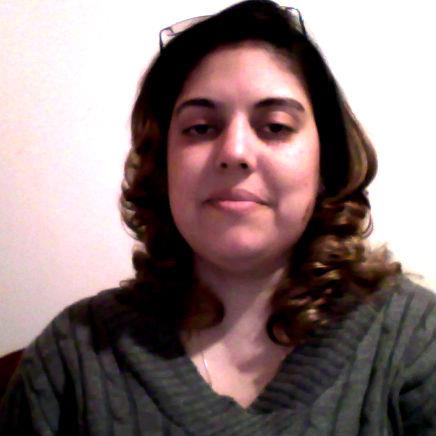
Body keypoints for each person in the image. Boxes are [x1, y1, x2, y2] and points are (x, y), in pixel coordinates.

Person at [1, 0, 436, 434]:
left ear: (326, 163)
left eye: (276, 126)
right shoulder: (71, 360)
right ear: (162, 165)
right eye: (201, 128)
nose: (235, 152)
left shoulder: (415, 341)